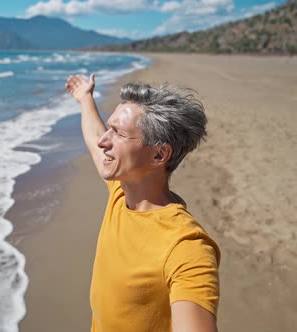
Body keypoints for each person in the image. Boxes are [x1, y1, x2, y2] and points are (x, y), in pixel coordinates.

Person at [65, 73, 220, 332]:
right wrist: (85, 99)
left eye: (118, 133)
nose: (105, 141)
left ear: (159, 154)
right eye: (109, 128)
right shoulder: (121, 193)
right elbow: (95, 139)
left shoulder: (186, 247)